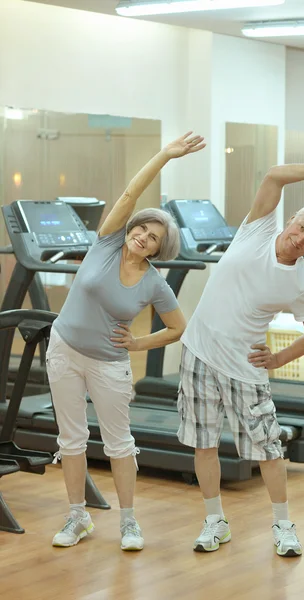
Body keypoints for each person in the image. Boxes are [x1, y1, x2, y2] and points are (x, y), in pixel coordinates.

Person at [177, 161, 304, 557]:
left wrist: (277, 358)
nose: (300, 238)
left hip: (245, 368)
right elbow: (276, 174)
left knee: (269, 449)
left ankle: (283, 526)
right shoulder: (258, 227)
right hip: (198, 353)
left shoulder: (302, 282)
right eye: (301, 227)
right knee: (204, 445)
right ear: (292, 218)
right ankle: (215, 521)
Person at [47, 131, 205, 551]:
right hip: (63, 349)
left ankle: (129, 522)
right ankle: (77, 516)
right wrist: (165, 156)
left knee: (119, 442)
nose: (142, 236)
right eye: (142, 229)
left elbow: (178, 328)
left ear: (158, 249)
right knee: (71, 438)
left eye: (153, 237)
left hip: (108, 363)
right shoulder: (107, 240)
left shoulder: (154, 284)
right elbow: (132, 192)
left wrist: (138, 345)